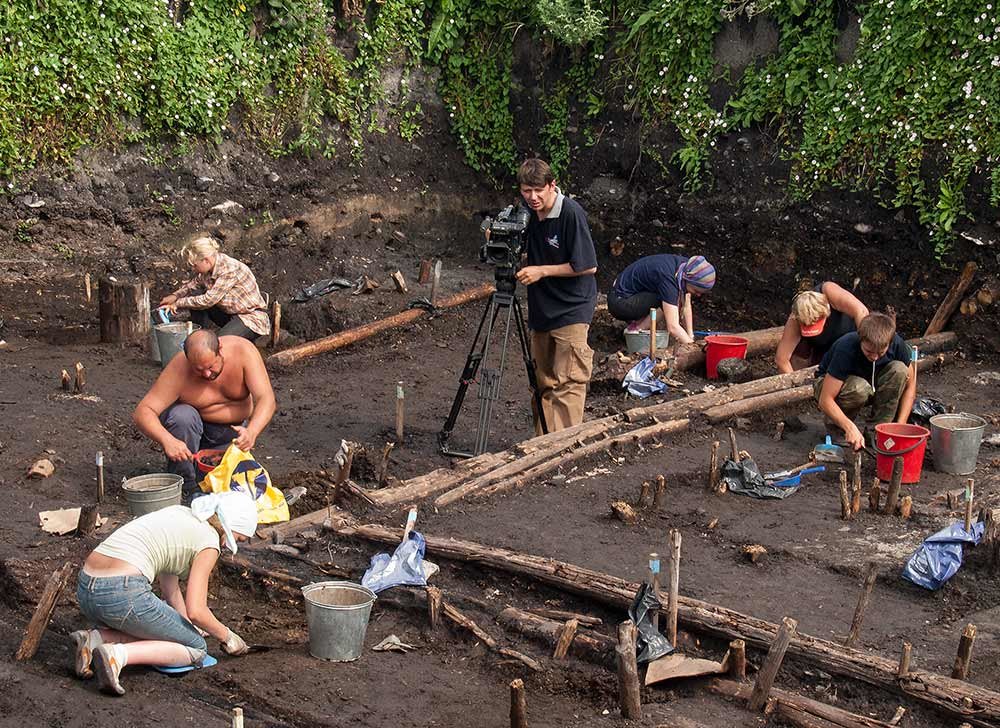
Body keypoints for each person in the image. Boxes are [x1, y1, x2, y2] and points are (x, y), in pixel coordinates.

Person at [70, 492, 257, 696]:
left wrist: (185, 626)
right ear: (229, 527)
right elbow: (197, 610)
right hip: (122, 593)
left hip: (86, 589)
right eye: (237, 538)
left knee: (176, 633)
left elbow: (170, 589)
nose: (227, 546)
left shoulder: (181, 515)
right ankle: (116, 655)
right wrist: (228, 637)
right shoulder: (209, 542)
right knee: (196, 648)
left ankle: (95, 640)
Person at [133, 329, 276, 500]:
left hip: (232, 435)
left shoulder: (243, 351)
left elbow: (266, 398)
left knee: (230, 486)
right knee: (181, 416)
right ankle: (185, 484)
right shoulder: (179, 368)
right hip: (190, 438)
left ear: (220, 349)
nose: (207, 374)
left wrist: (252, 431)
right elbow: (143, 411)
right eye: (199, 370)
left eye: (210, 367)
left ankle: (202, 477)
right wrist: (168, 440)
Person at [515, 158, 598, 434]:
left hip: (572, 307)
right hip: (542, 309)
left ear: (552, 185)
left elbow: (587, 265)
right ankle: (541, 443)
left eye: (539, 190)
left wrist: (542, 271)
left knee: (569, 381)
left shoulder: (570, 213)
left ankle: (559, 448)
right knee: (543, 381)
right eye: (527, 191)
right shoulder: (526, 214)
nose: (533, 197)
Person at [814, 312, 916, 450]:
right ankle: (838, 430)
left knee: (899, 370)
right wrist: (850, 427)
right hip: (829, 386)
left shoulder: (897, 344)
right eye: (869, 351)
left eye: (880, 353)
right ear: (861, 340)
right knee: (859, 388)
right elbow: (825, 400)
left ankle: (876, 431)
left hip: (871, 383)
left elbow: (910, 387)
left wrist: (900, 426)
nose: (874, 357)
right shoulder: (846, 348)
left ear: (889, 343)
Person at [159, 235, 270, 341]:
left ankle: (211, 343)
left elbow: (208, 300)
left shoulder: (229, 270)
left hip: (250, 318)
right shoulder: (209, 269)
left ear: (206, 260)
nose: (193, 269)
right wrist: (174, 296)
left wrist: (177, 303)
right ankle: (199, 336)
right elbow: (193, 284)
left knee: (219, 343)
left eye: (195, 265)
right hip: (231, 314)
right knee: (195, 294)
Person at [607, 254, 716, 345]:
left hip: (632, 294)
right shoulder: (669, 279)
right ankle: (635, 330)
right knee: (668, 301)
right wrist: (693, 348)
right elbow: (672, 327)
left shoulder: (687, 269)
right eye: (697, 291)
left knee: (671, 300)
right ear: (687, 280)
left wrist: (690, 335)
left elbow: (686, 306)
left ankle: (639, 324)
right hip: (619, 302)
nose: (698, 295)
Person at [775, 282, 869, 373]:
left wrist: (864, 346)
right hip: (822, 348)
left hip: (850, 335)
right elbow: (781, 360)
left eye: (814, 324)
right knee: (800, 354)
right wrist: (794, 384)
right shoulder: (795, 318)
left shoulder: (830, 292)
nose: (811, 327)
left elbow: (861, 311)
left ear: (826, 310)